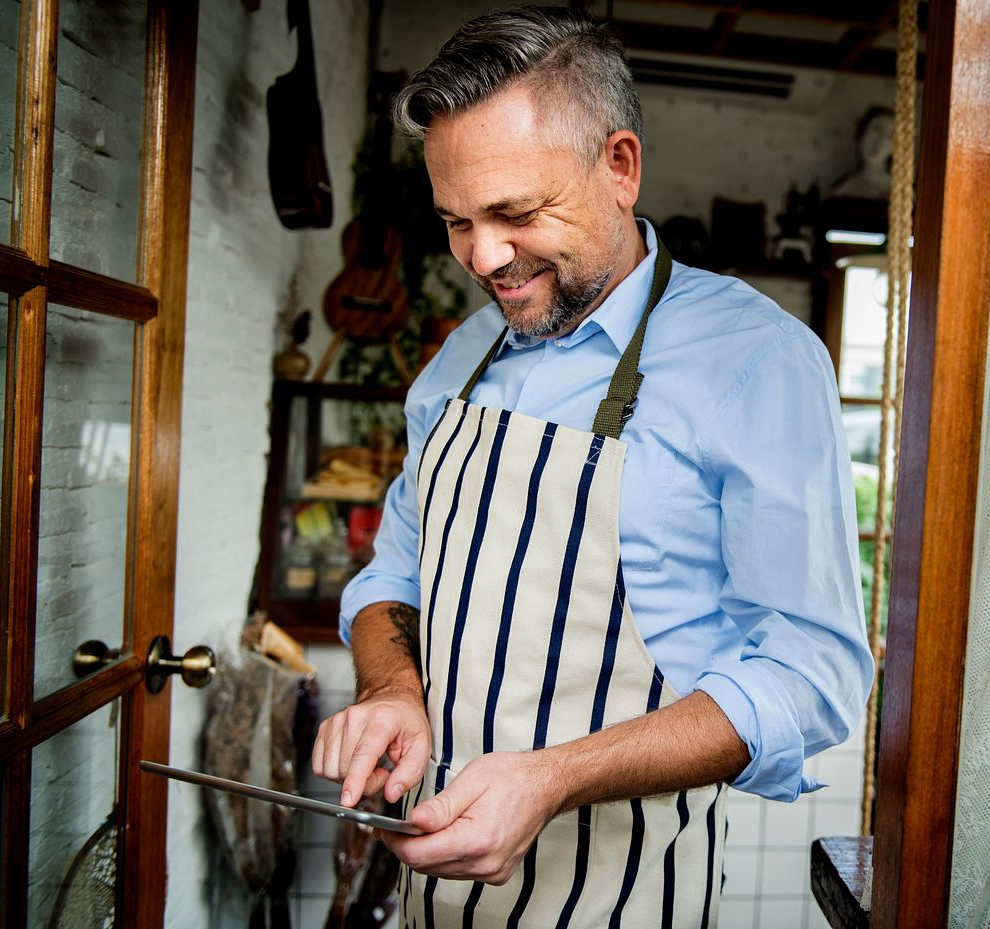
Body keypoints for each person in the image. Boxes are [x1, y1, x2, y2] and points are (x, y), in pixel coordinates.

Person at [312, 7, 873, 927]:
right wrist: (391, 687)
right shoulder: (462, 356)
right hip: (430, 905)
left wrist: (555, 775)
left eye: (515, 213)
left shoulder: (754, 359)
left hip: (624, 903)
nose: (484, 257)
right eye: (457, 221)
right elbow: (393, 574)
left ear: (619, 165)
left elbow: (810, 675)